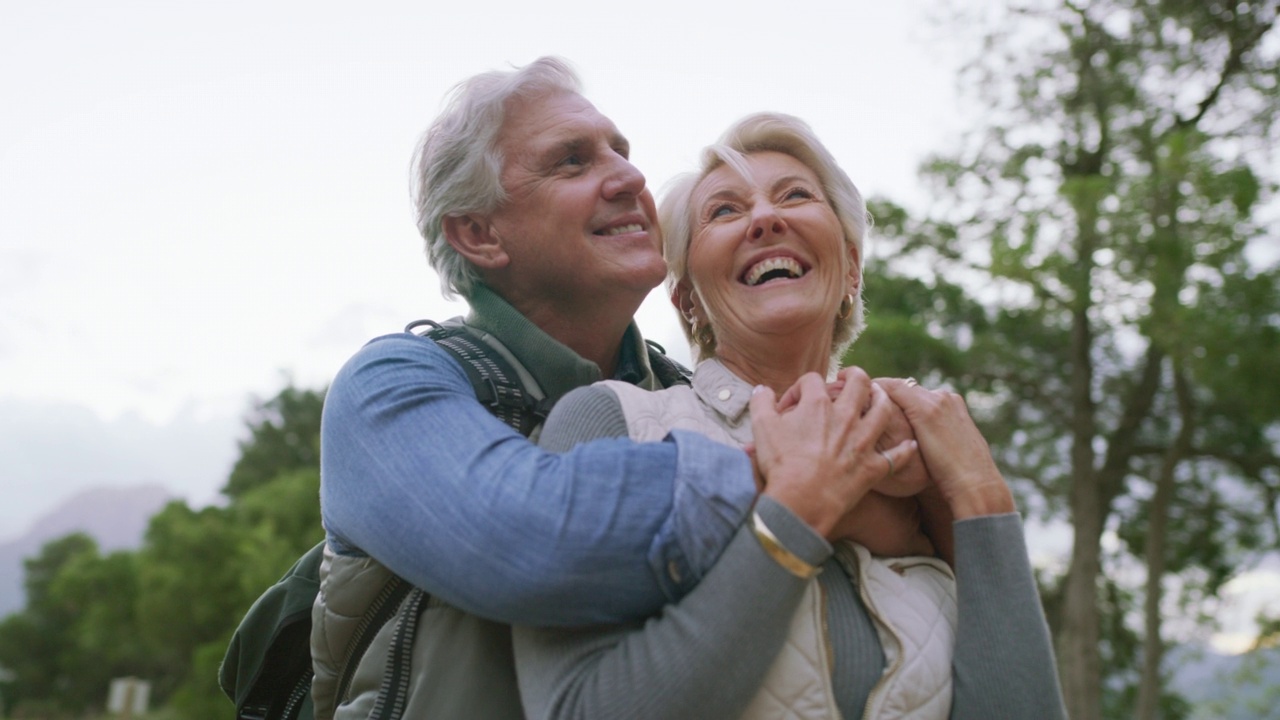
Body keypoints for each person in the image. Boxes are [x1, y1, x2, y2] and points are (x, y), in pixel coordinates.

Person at [310, 60, 906, 719]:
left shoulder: (683, 402)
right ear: (479, 234)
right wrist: (821, 484)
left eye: (620, 152)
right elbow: (529, 540)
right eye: (572, 161)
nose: (630, 177)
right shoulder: (391, 387)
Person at [512, 113, 1068, 719]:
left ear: (851, 268)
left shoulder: (921, 459)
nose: (765, 219)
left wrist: (980, 494)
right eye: (724, 211)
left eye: (795, 196)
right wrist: (798, 514)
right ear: (687, 300)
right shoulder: (612, 423)